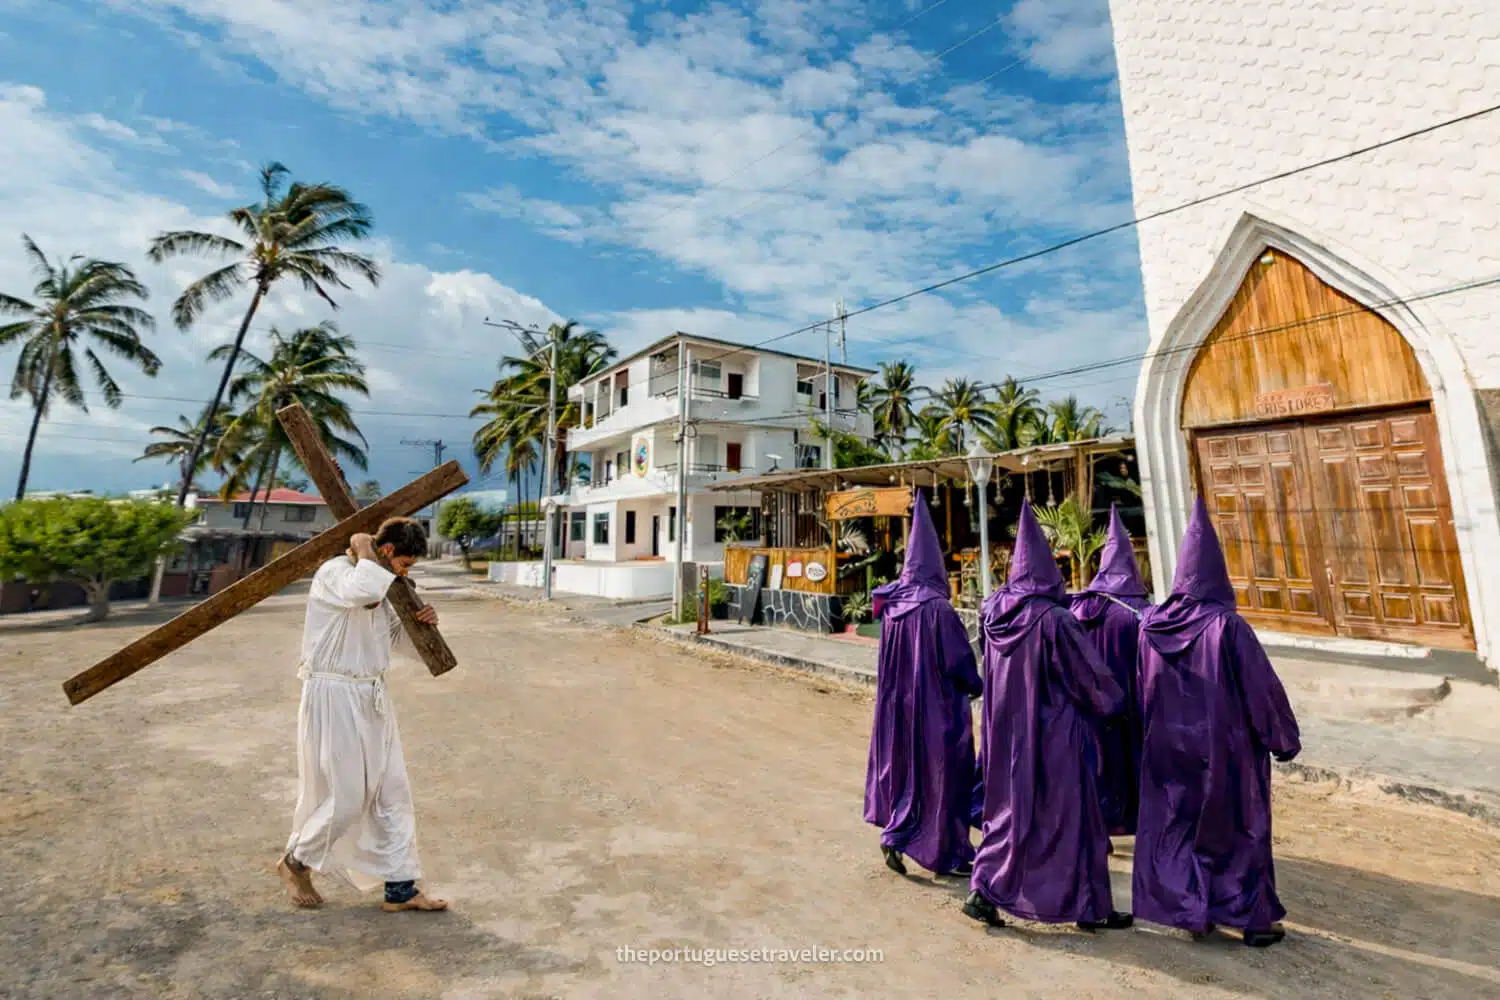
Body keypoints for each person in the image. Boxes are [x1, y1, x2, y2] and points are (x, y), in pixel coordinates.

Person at [1133, 498, 1300, 948]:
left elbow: (1141, 689)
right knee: (1237, 830)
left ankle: (1191, 911)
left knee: (1179, 826)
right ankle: (1250, 918)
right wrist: (1283, 738)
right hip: (1226, 748)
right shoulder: (1228, 627)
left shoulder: (1151, 628)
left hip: (1168, 745)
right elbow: (1261, 690)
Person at [965, 499, 1132, 932]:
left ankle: (1084, 903)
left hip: (1006, 733)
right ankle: (990, 889)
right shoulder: (1055, 621)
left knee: (1012, 812)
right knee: (1072, 817)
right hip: (1057, 737)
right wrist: (1118, 708)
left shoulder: (993, 614)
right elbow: (1091, 681)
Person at [276, 517, 449, 913]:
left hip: (371, 694)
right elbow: (363, 592)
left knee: (393, 792)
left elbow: (393, 640)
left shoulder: (380, 584)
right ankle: (294, 862)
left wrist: (420, 623)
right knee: (348, 797)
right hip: (333, 694)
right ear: (386, 552)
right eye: (404, 564)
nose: (405, 574)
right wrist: (363, 545)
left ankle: (401, 890)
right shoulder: (334, 573)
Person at [864, 491, 983, 877]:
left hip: (899, 711)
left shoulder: (893, 608)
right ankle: (945, 852)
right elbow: (960, 661)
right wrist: (977, 684)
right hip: (938, 711)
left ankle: (896, 835)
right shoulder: (937, 608)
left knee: (907, 776)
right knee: (944, 781)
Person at [1069, 504, 1152, 838]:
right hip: (1129, 704)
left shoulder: (1077, 609)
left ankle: (1095, 820)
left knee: (1094, 762)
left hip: (1087, 705)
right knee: (1126, 762)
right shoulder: (1140, 613)